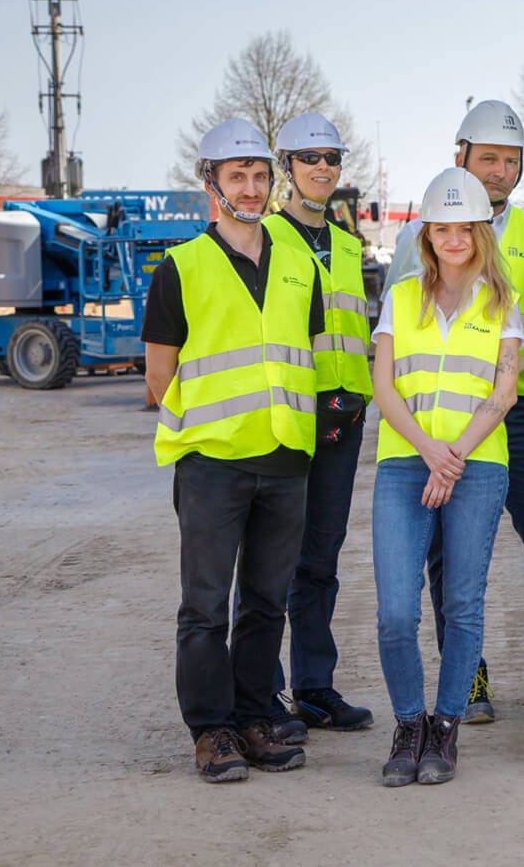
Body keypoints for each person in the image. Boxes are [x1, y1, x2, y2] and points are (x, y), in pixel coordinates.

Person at [143, 119, 323, 782]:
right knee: (205, 607)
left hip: (285, 458)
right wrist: (205, 434)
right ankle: (211, 731)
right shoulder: (181, 267)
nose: (250, 187)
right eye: (236, 176)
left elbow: (301, 353)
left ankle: (253, 718)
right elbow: (158, 376)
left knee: (266, 603)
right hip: (212, 465)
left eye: (259, 175)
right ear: (211, 184)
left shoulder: (300, 265)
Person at [386, 101, 524, 722]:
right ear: (460, 155)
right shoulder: (420, 232)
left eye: (511, 161)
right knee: (447, 557)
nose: (500, 171)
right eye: (488, 158)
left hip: (519, 411)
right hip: (446, 419)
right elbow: (399, 326)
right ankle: (471, 678)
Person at [372, 167, 522, 787]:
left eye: (466, 228)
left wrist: (452, 455)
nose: (454, 239)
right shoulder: (402, 296)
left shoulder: (502, 302)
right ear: (426, 235)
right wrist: (429, 451)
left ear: (482, 233)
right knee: (395, 611)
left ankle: (447, 726)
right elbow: (383, 386)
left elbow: (505, 391)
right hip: (404, 461)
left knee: (461, 603)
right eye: (442, 229)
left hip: (476, 465)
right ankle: (410, 724)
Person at [258, 113, 374, 737]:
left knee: (321, 560)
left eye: (332, 157)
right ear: (287, 166)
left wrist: (358, 398)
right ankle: (262, 693)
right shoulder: (266, 239)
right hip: (287, 420)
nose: (323, 167)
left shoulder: (350, 245)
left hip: (343, 418)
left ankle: (314, 688)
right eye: (309, 158)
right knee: (271, 562)